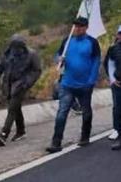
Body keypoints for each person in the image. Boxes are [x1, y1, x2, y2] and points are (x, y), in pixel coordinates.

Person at [46, 17, 101, 153]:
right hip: (67, 83)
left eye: (81, 27)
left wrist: (91, 80)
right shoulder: (67, 40)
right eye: (76, 26)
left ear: (86, 27)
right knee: (61, 112)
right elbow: (58, 56)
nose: (77, 29)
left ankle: (85, 136)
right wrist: (59, 59)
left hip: (84, 84)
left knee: (86, 111)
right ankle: (56, 142)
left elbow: (96, 62)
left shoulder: (92, 42)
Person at [0, 34, 42, 146]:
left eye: (19, 47)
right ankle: (21, 131)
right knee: (16, 108)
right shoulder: (7, 55)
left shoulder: (31, 55)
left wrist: (27, 82)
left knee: (12, 109)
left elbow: (37, 71)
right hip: (8, 85)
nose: (16, 50)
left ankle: (3, 135)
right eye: (14, 47)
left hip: (21, 85)